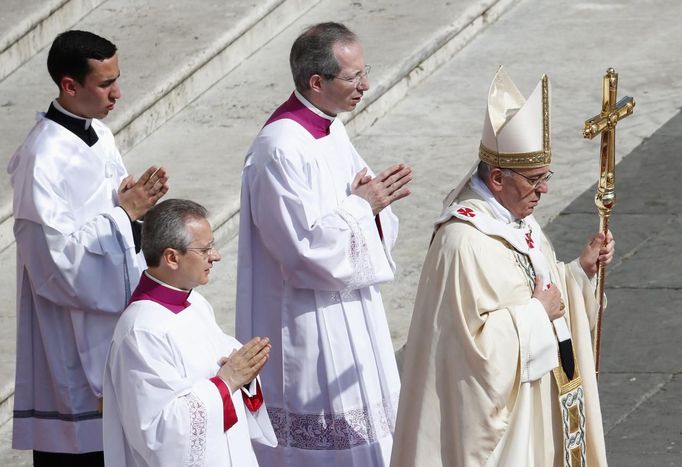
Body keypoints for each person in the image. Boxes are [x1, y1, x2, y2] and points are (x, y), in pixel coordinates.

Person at [390, 66, 615, 467]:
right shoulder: (463, 242)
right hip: (503, 427)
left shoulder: (516, 218)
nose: (543, 190)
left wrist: (579, 273)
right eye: (534, 180)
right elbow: (469, 353)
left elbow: (538, 286)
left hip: (540, 399)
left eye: (546, 177)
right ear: (496, 177)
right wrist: (534, 314)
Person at [236, 22, 412, 467]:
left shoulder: (331, 129)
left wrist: (375, 207)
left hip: (353, 313)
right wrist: (361, 207)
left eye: (363, 71)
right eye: (353, 77)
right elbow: (302, 252)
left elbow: (365, 208)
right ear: (317, 83)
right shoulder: (278, 149)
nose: (366, 85)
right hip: (310, 323)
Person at [8, 30, 169, 466]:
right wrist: (124, 215)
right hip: (71, 331)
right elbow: (54, 266)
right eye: (105, 84)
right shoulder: (42, 159)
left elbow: (116, 215)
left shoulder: (100, 133)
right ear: (69, 85)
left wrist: (133, 211)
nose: (118, 93)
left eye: (117, 79)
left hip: (115, 320)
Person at [103, 199, 276, 466]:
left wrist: (245, 375)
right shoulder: (141, 330)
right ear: (172, 257)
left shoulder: (195, 303)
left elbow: (225, 372)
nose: (216, 256)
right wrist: (227, 382)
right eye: (205, 249)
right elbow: (159, 433)